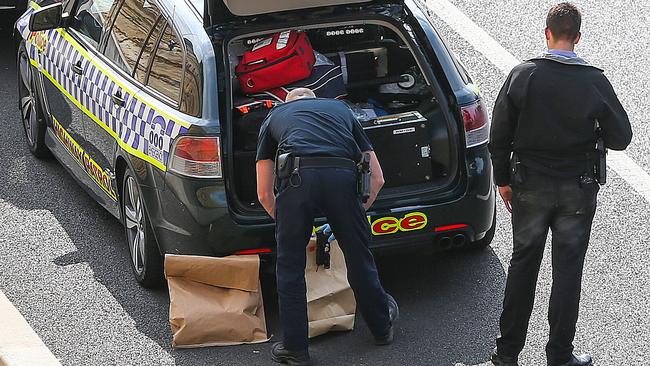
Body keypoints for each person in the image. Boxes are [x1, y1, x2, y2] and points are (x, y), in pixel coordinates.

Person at [488, 3, 632, 366]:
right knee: (567, 271)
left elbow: (499, 134)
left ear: (547, 32)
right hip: (576, 190)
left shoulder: (524, 74)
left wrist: (503, 181)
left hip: (529, 186)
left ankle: (507, 355)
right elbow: (622, 137)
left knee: (523, 266)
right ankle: (560, 356)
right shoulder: (594, 80)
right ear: (578, 37)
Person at [256, 88, 399, 366]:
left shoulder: (275, 116)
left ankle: (295, 349)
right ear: (316, 100)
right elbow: (377, 178)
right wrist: (352, 217)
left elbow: (263, 193)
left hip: (296, 180)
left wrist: (288, 224)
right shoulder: (342, 111)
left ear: (289, 104)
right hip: (341, 177)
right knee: (359, 257)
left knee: (290, 268)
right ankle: (382, 327)